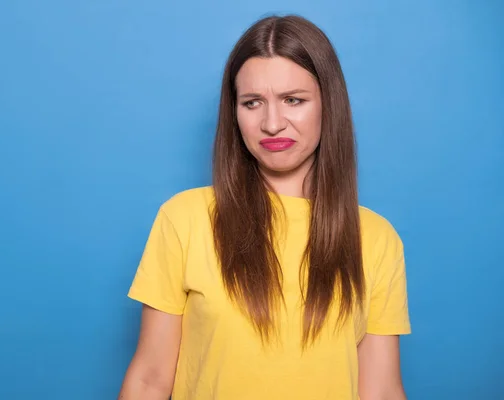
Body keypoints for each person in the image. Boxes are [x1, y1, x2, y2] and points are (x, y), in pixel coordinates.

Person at [118, 14, 411, 400]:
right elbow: (150, 380)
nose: (272, 123)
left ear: (329, 105)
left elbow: (381, 390)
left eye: (293, 100)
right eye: (253, 102)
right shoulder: (185, 218)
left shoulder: (374, 237)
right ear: (234, 112)